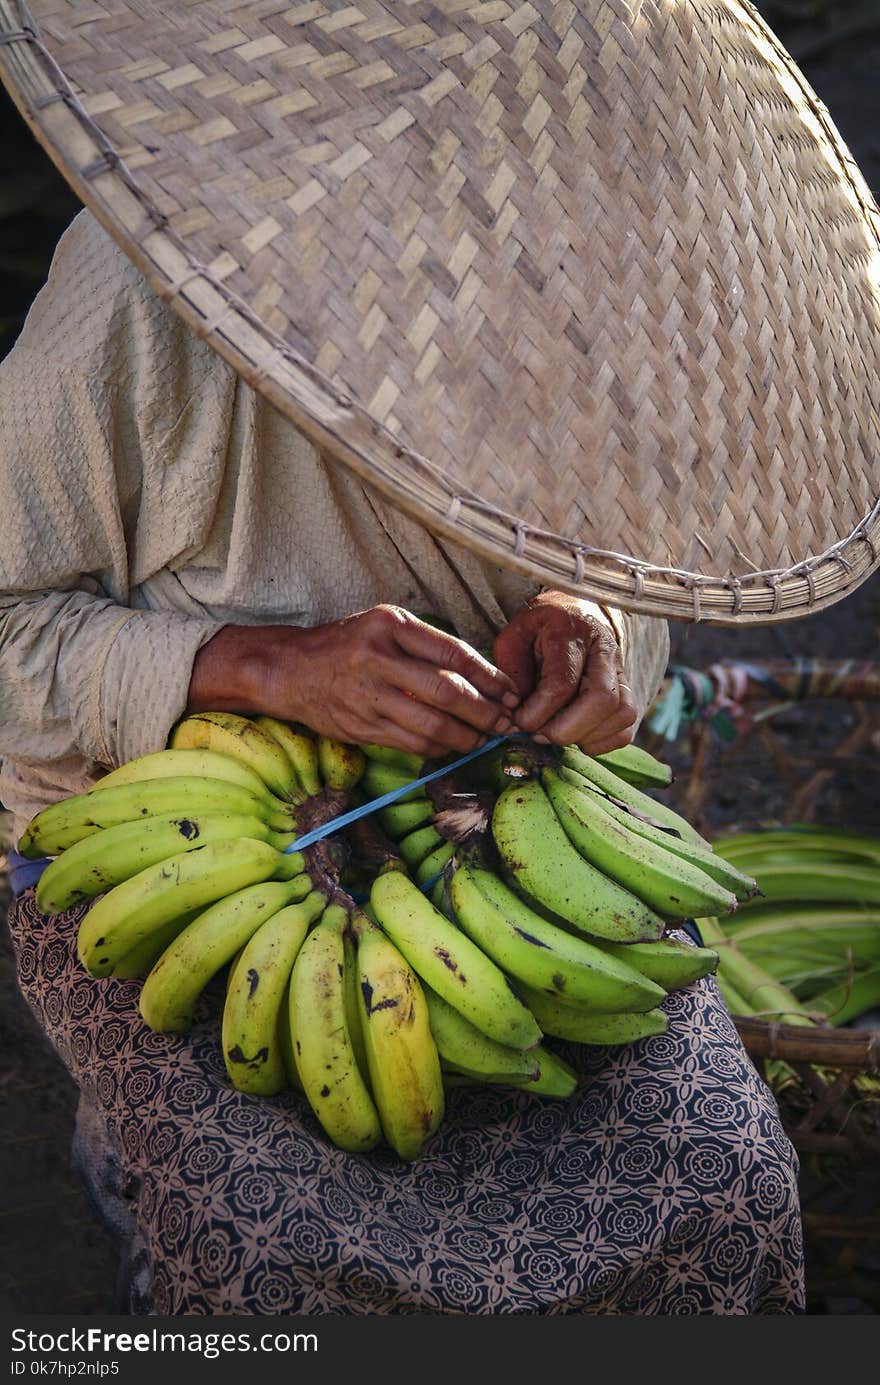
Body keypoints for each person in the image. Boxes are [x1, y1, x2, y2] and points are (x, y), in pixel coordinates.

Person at [5, 0, 878, 1317]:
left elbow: (645, 590)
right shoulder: (135, 302)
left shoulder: (620, 328)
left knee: (724, 1170)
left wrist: (594, 630)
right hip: (177, 836)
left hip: (504, 813)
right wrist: (249, 665)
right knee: (265, 1238)